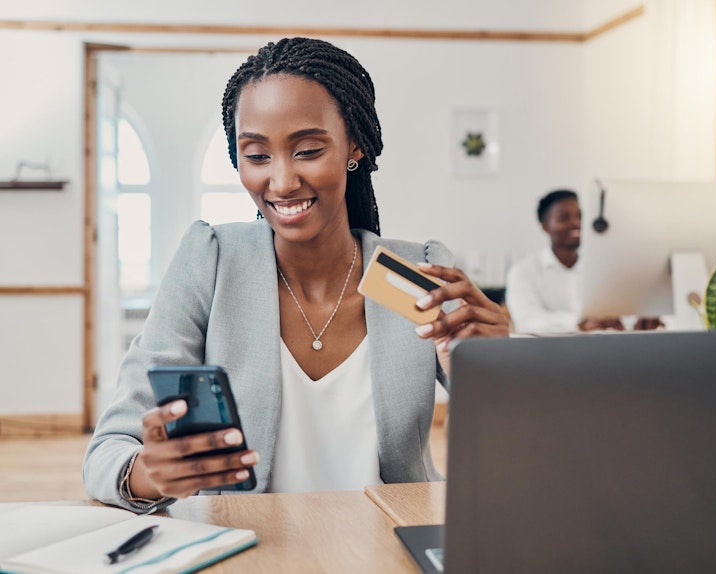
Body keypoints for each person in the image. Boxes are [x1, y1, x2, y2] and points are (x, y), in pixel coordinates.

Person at [83, 37, 509, 512]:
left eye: (307, 150)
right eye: (258, 156)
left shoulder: (412, 274)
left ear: (355, 146)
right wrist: (149, 472)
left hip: (391, 545)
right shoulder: (212, 262)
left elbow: (517, 450)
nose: (282, 182)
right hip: (247, 548)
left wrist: (500, 373)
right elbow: (106, 454)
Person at [504, 189, 662, 334]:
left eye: (580, 216)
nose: (576, 223)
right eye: (564, 217)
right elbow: (528, 322)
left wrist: (638, 321)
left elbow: (622, 310)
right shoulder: (523, 272)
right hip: (551, 355)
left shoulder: (602, 267)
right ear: (545, 226)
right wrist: (580, 323)